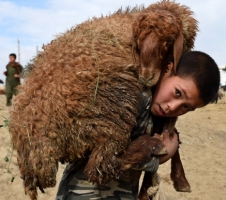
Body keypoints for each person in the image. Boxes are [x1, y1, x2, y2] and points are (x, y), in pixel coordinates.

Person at [55, 51, 220, 200]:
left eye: (186, 107)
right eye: (177, 93)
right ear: (167, 69)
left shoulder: (157, 114)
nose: (173, 107)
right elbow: (100, 155)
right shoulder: (130, 97)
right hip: (84, 193)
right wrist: (160, 158)